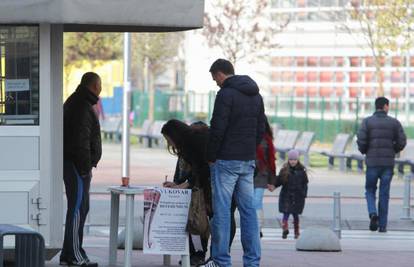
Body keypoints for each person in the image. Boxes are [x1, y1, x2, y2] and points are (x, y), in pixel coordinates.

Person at [202, 59, 265, 267]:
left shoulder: (225, 94)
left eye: (214, 79)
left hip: (226, 160)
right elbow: (261, 128)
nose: (216, 83)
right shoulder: (256, 95)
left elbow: (217, 127)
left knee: (222, 212)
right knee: (249, 213)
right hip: (247, 160)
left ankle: (221, 261)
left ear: (220, 74)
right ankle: (252, 262)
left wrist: (211, 155)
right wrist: (249, 149)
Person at [61, 72, 102, 266]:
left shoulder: (79, 102)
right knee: (77, 209)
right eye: (100, 85)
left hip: (76, 165)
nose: (101, 90)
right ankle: (74, 256)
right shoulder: (82, 107)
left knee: (80, 208)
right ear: (94, 86)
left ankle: (71, 253)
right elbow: (81, 142)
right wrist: (85, 168)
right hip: (76, 166)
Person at [161, 119, 212, 266]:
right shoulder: (185, 148)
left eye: (169, 139)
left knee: (200, 222)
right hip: (193, 187)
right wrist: (177, 183)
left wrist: (185, 184)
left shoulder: (194, 144)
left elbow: (201, 169)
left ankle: (200, 255)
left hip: (202, 189)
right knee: (191, 222)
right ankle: (192, 254)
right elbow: (186, 171)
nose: (169, 144)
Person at [357, 97, 406, 233]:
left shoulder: (367, 122)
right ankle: (383, 225)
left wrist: (365, 151)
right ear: (385, 106)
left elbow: (361, 140)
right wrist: (393, 150)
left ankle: (373, 213)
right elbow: (402, 141)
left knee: (370, 190)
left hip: (372, 163)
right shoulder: (394, 123)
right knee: (384, 194)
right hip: (387, 164)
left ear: (375, 106)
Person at [269, 149, 308, 239]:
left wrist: (304, 194)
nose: (293, 161)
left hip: (298, 197)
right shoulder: (284, 170)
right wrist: (273, 186)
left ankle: (296, 232)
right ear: (288, 160)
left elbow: (305, 184)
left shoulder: (302, 171)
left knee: (295, 215)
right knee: (285, 214)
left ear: (298, 160)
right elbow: (279, 181)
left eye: (294, 160)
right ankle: (285, 229)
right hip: (286, 196)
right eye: (291, 159)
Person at [254, 118, 277, 238]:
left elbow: (271, 161)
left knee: (256, 202)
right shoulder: (245, 135)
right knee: (248, 204)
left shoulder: (266, 139)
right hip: (246, 175)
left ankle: (257, 228)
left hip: (261, 176)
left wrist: (272, 181)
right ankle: (252, 227)